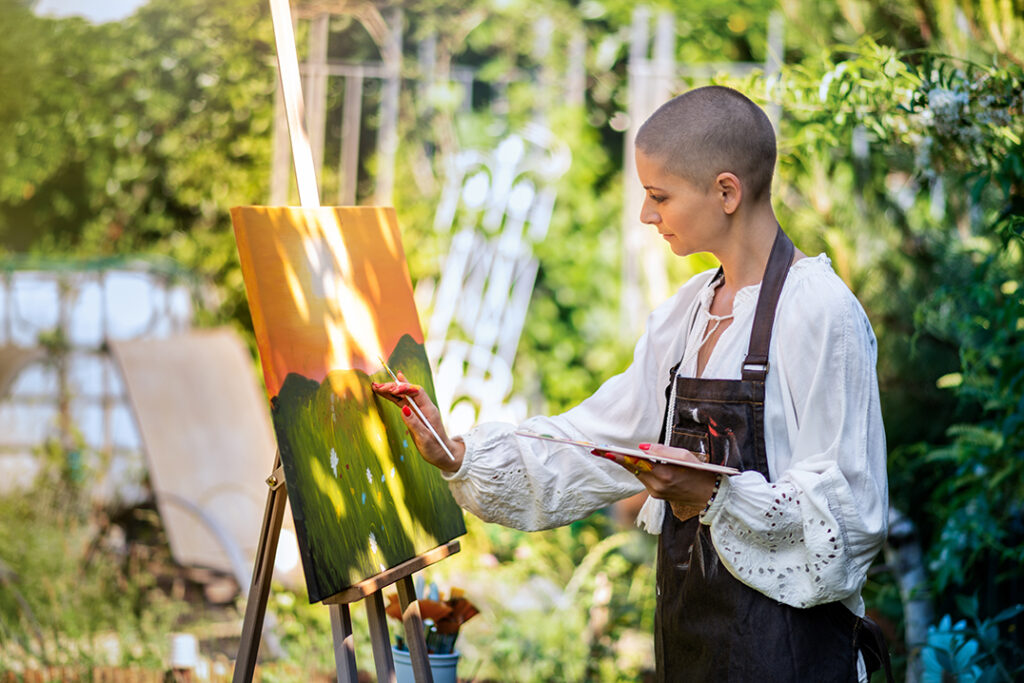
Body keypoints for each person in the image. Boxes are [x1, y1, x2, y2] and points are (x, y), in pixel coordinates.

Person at [373, 85, 890, 682]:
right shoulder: (688, 314)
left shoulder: (821, 311)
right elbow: (591, 437)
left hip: (793, 660)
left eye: (658, 196)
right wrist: (460, 455)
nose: (647, 215)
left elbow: (851, 519)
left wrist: (712, 495)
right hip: (689, 647)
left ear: (726, 191)